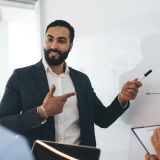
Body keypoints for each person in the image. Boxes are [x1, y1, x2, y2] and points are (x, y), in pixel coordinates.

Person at [0, 20, 142, 147]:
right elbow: (3, 124)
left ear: (70, 46)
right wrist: (41, 112)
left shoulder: (82, 80)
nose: (53, 46)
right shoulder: (21, 77)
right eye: (49, 39)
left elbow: (103, 119)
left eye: (61, 41)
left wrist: (122, 98)